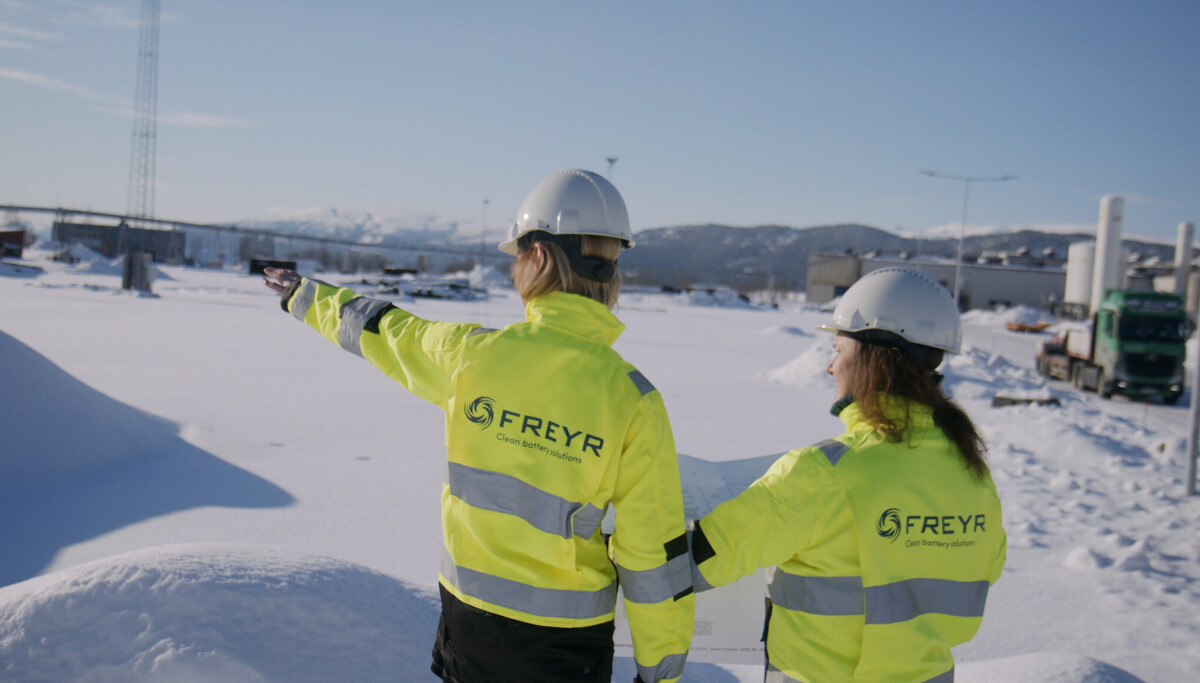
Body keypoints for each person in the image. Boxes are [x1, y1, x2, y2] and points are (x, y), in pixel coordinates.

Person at [263, 169, 693, 683]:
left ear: (539, 257)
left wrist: (306, 296)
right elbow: (652, 554)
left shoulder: (471, 356)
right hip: (566, 647)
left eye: (518, 256)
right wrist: (659, 673)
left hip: (468, 626)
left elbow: (388, 333)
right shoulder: (634, 399)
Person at [689, 267, 1006, 683]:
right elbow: (985, 569)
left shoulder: (823, 473)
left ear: (874, 358)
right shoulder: (973, 476)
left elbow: (700, 559)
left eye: (838, 349)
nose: (830, 366)